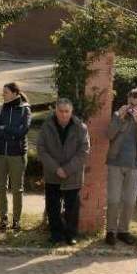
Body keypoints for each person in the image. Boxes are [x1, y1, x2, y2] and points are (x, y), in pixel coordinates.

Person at [36, 98, 90, 245]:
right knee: (53, 207)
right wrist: (56, 168)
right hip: (52, 174)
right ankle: (56, 234)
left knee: (72, 208)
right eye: (61, 111)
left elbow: (84, 151)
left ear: (71, 112)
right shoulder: (46, 126)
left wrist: (67, 169)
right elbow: (41, 149)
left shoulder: (81, 127)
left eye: (67, 111)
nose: (64, 114)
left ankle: (71, 235)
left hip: (72, 175)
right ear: (56, 110)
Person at [106, 88, 137, 245]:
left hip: (135, 164)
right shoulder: (118, 114)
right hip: (115, 162)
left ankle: (123, 231)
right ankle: (110, 231)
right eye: (131, 104)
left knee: (129, 201)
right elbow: (109, 135)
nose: (133, 107)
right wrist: (119, 118)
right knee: (113, 199)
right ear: (127, 101)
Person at [0, 82, 31, 232]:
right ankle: (3, 218)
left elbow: (22, 131)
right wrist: (10, 131)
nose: (3, 94)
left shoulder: (25, 110)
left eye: (6, 92)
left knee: (17, 189)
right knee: (1, 187)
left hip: (17, 155)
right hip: (0, 153)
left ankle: (16, 220)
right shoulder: (0, 109)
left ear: (15, 93)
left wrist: (4, 128)